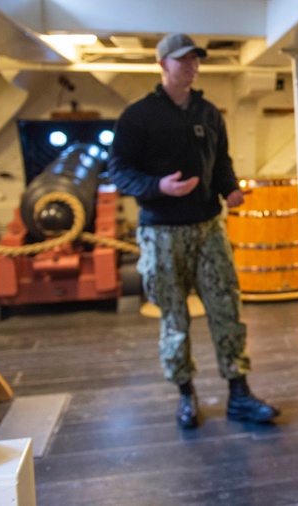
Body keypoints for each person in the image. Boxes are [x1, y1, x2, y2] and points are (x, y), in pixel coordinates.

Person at [108, 33, 279, 429]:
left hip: (208, 228)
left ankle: (239, 393)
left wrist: (229, 188)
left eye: (195, 60)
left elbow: (220, 160)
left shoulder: (208, 113)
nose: (192, 66)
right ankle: (185, 394)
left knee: (226, 309)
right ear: (162, 64)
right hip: (162, 233)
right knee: (174, 319)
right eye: (183, 59)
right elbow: (118, 170)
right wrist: (158, 187)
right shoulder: (138, 116)